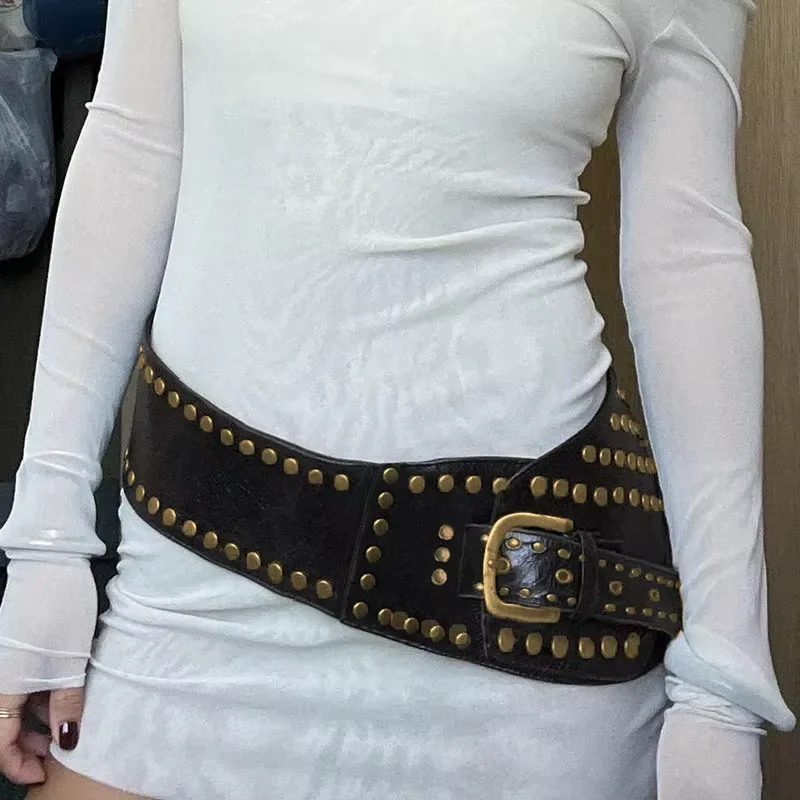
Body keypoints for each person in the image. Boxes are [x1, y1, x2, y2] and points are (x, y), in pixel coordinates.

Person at [0, 0, 794, 798]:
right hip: (194, 587)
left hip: (513, 645)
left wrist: (724, 680)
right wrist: (47, 539)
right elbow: (134, 145)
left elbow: (688, 254)